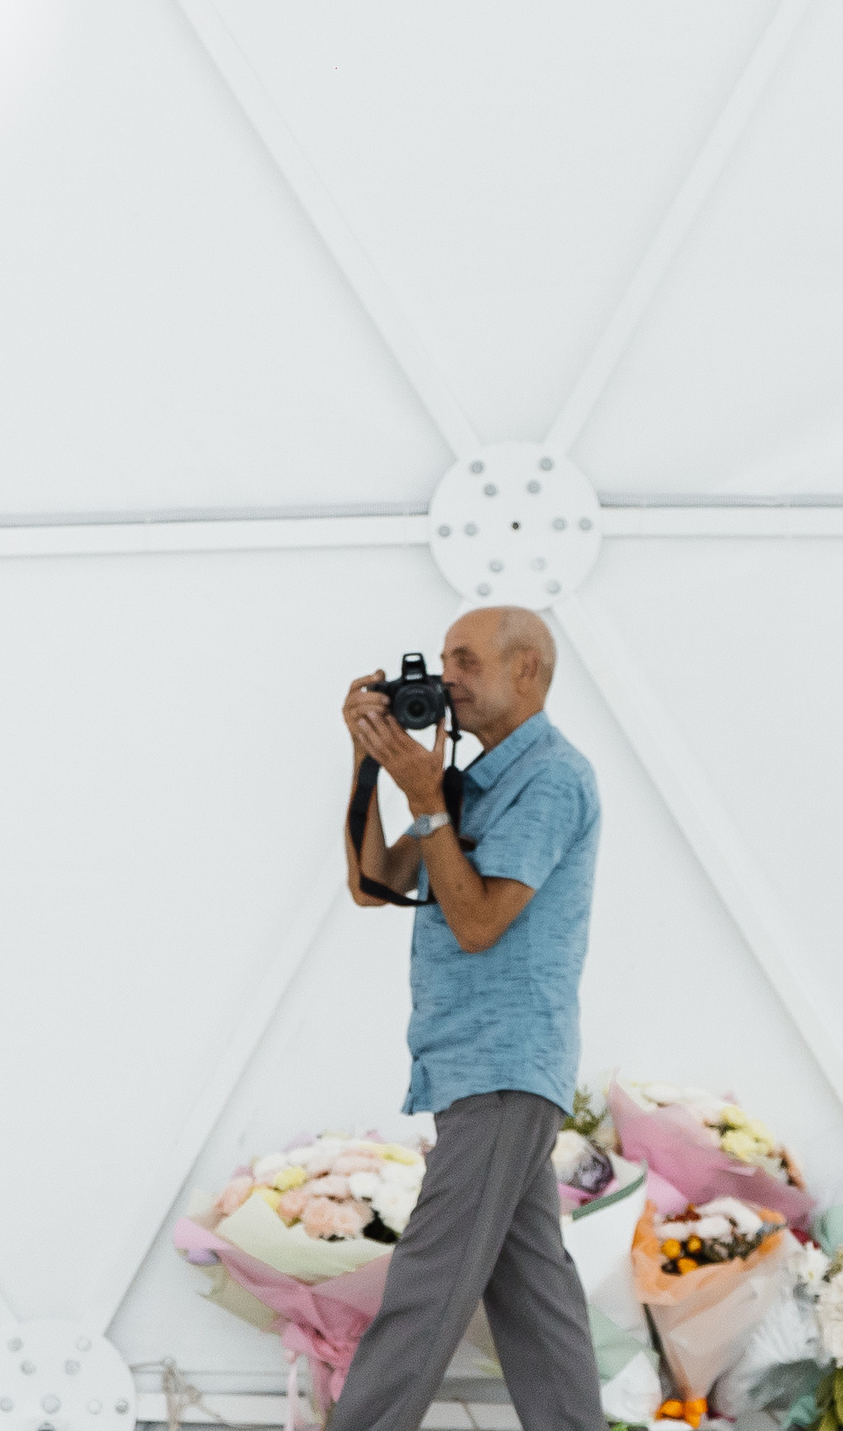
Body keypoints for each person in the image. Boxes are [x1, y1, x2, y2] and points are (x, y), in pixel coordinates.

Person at [331, 605, 603, 1431]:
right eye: (444, 661)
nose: (446, 679)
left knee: (428, 1282)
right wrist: (368, 763)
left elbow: (480, 922)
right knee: (535, 1297)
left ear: (527, 669)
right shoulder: (465, 782)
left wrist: (426, 796)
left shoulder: (552, 777)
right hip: (476, 1067)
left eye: (466, 660)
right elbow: (374, 880)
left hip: (503, 1064)